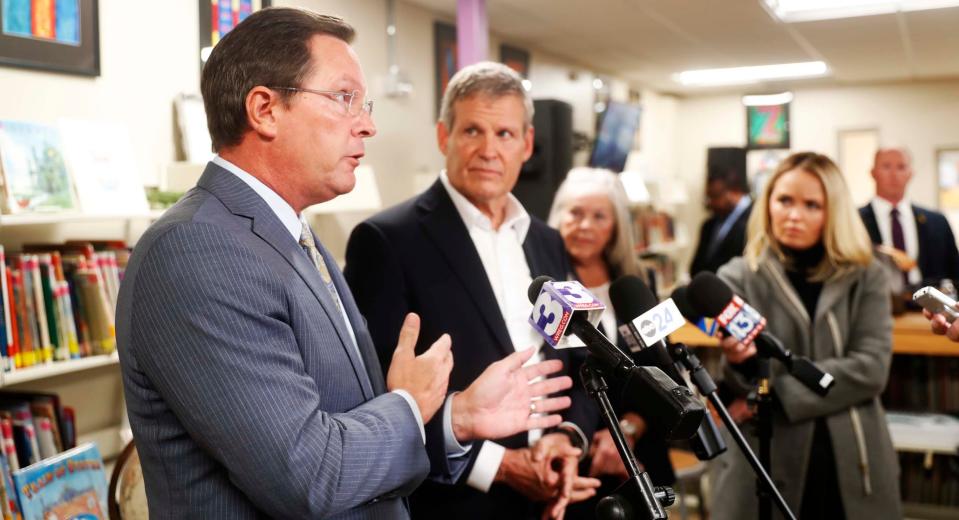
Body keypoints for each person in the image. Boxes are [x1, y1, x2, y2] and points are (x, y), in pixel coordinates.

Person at [116, 9, 574, 518]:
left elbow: (353, 422)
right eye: (344, 98)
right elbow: (309, 475)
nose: (369, 125)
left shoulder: (292, 234)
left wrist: (458, 420)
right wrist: (408, 404)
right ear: (265, 109)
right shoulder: (197, 250)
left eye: (364, 102)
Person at [344, 61, 601, 519]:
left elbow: (582, 357)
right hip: (459, 500)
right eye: (471, 131)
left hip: (558, 493)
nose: (488, 150)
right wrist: (500, 466)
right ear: (444, 137)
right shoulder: (386, 240)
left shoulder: (546, 240)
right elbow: (375, 390)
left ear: (526, 144)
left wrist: (567, 439)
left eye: (504, 134)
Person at [711, 152, 901, 519]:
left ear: (834, 212)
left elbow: (871, 368)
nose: (794, 215)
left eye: (812, 205)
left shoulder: (867, 275)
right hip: (766, 456)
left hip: (849, 458)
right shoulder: (737, 276)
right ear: (767, 203)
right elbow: (741, 381)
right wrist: (738, 362)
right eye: (784, 200)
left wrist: (778, 392)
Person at [545, 167, 675, 518]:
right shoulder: (546, 284)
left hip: (638, 450)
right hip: (573, 452)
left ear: (615, 225)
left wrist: (630, 430)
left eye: (598, 216)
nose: (584, 225)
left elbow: (663, 368)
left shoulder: (637, 280)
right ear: (558, 217)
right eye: (575, 213)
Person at [859, 147, 959, 290]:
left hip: (927, 309)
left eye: (901, 167)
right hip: (872, 306)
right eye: (886, 166)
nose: (894, 174)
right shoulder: (854, 222)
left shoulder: (937, 222)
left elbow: (954, 274)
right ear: (873, 173)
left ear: (910, 173)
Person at [689, 165, 752, 275]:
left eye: (714, 196)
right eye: (708, 197)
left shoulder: (755, 220)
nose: (710, 203)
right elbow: (696, 266)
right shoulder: (709, 224)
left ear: (734, 192)